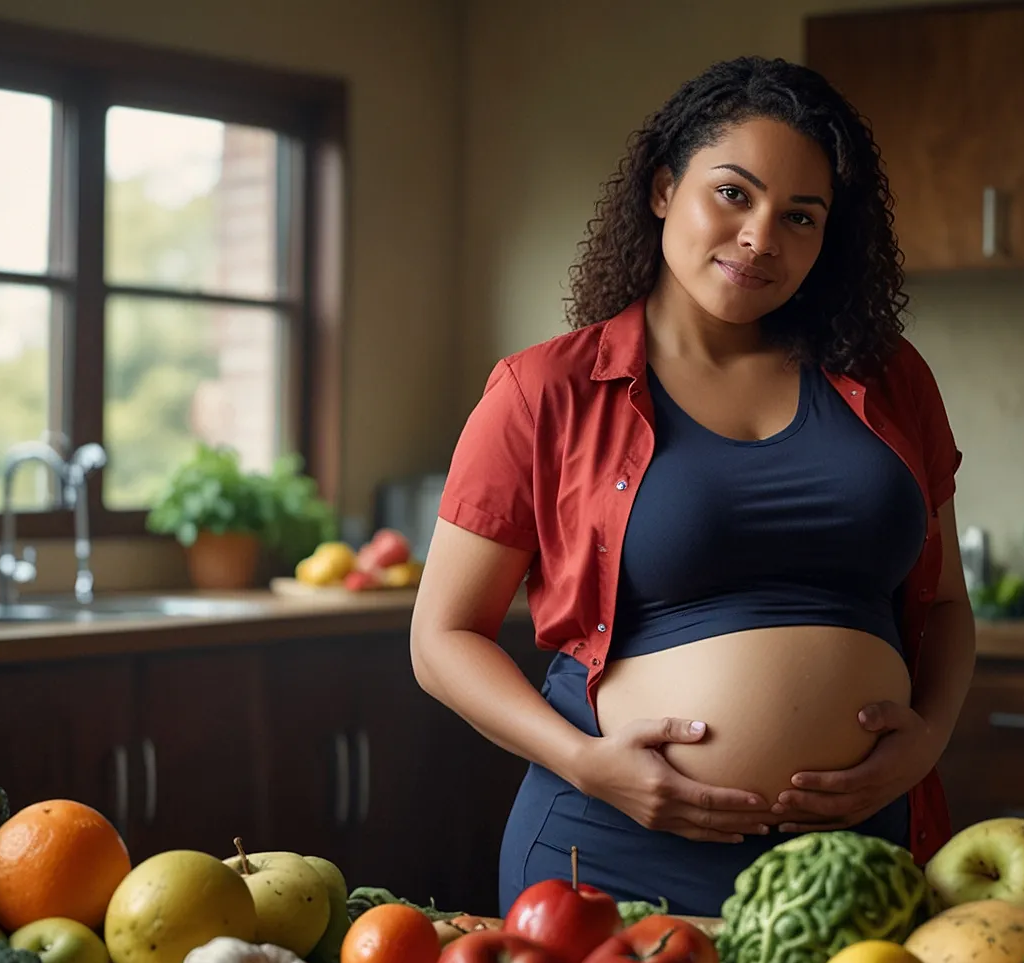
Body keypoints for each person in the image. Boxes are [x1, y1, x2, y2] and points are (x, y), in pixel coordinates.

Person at [410, 55, 976, 919]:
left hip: (856, 861)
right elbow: (443, 637)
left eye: (801, 216)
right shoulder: (543, 390)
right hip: (611, 854)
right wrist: (587, 763)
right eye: (734, 194)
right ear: (664, 189)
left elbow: (944, 612)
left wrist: (927, 740)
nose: (761, 238)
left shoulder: (891, 378)